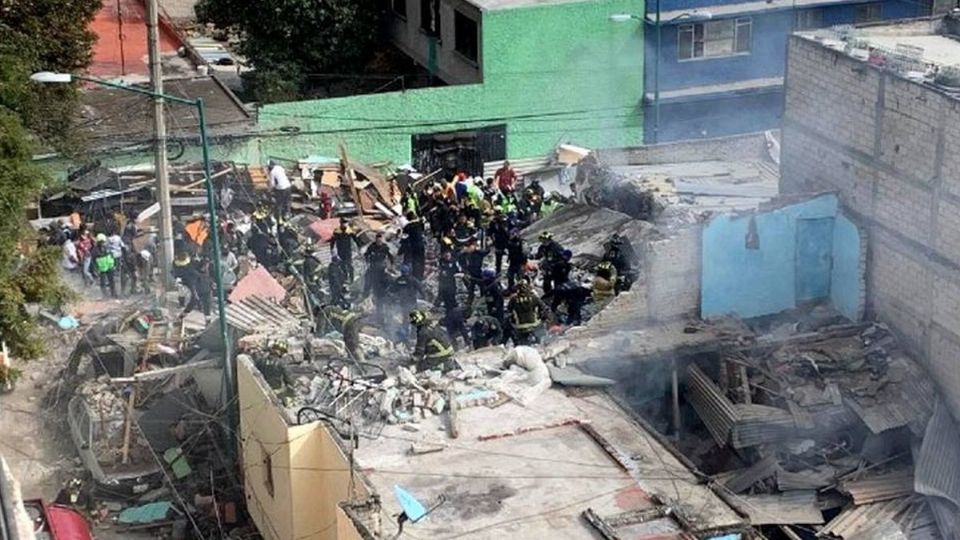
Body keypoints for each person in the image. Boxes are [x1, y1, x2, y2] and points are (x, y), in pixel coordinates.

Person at [362, 233, 394, 320]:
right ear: (375, 240)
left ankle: (386, 313)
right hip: (373, 268)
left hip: (381, 269)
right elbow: (366, 255)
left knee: (385, 286)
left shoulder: (385, 247)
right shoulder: (371, 247)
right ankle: (365, 295)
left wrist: (391, 265)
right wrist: (367, 261)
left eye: (380, 240)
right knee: (367, 279)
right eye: (377, 240)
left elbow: (391, 256)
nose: (379, 242)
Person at [172, 252, 211, 322]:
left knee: (204, 306)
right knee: (193, 305)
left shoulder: (193, 270)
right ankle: (180, 317)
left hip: (203, 289)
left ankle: (208, 322)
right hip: (200, 289)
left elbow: (192, 284)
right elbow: (192, 284)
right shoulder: (194, 270)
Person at [331, 218, 359, 282]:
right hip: (340, 250)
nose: (344, 224)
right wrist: (332, 249)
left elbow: (355, 239)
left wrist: (358, 246)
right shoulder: (337, 231)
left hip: (348, 250)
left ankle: (352, 278)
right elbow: (332, 241)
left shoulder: (349, 231)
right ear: (340, 223)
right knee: (342, 265)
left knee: (349, 264)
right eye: (343, 223)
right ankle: (345, 277)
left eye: (345, 223)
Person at [400, 212, 426, 280]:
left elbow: (404, 239)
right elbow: (423, 231)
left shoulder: (407, 227)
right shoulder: (420, 224)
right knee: (421, 261)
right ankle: (420, 276)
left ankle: (413, 276)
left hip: (412, 247)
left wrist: (401, 250)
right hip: (421, 246)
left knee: (413, 261)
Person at [92, 234, 117, 298]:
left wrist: (114, 264)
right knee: (103, 283)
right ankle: (105, 295)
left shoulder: (107, 247)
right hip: (102, 268)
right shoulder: (95, 250)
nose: (103, 243)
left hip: (109, 266)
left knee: (112, 281)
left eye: (104, 242)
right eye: (102, 242)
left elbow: (112, 256)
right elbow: (93, 260)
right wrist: (96, 269)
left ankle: (114, 294)